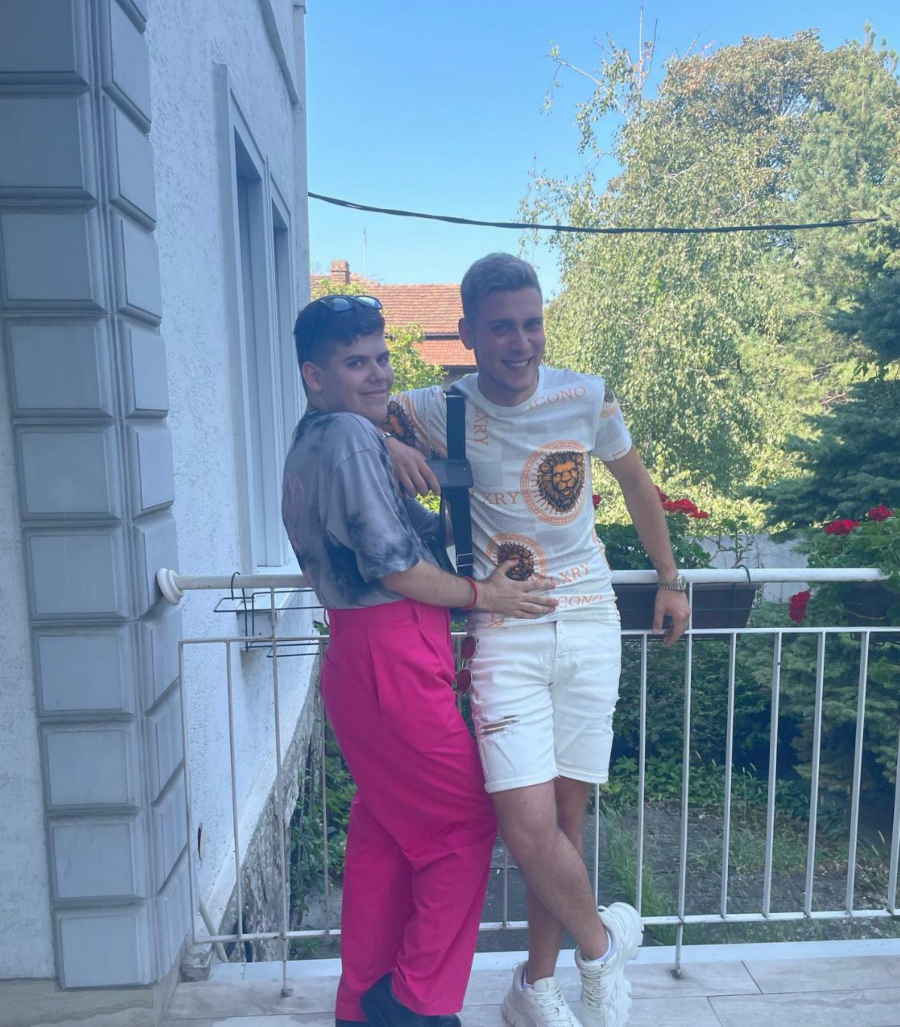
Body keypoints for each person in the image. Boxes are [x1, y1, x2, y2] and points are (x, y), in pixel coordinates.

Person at [383, 254, 692, 1027]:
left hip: (590, 621)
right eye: (501, 328)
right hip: (503, 629)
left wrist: (669, 577)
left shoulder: (585, 394)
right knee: (525, 825)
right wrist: (389, 444)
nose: (521, 342)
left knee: (564, 820)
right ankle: (603, 944)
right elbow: (337, 406)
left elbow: (634, 482)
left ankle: (540, 987)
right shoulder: (439, 407)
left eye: (532, 323)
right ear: (467, 333)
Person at [281, 292, 558, 1027]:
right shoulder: (349, 436)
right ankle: (414, 1001)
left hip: (362, 654)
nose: (377, 374)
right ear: (315, 374)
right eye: (356, 363)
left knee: (386, 834)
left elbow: (410, 537)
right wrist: (487, 594)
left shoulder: (316, 438)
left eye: (381, 358)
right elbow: (396, 566)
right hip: (392, 653)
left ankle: (362, 1003)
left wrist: (407, 449)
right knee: (463, 823)